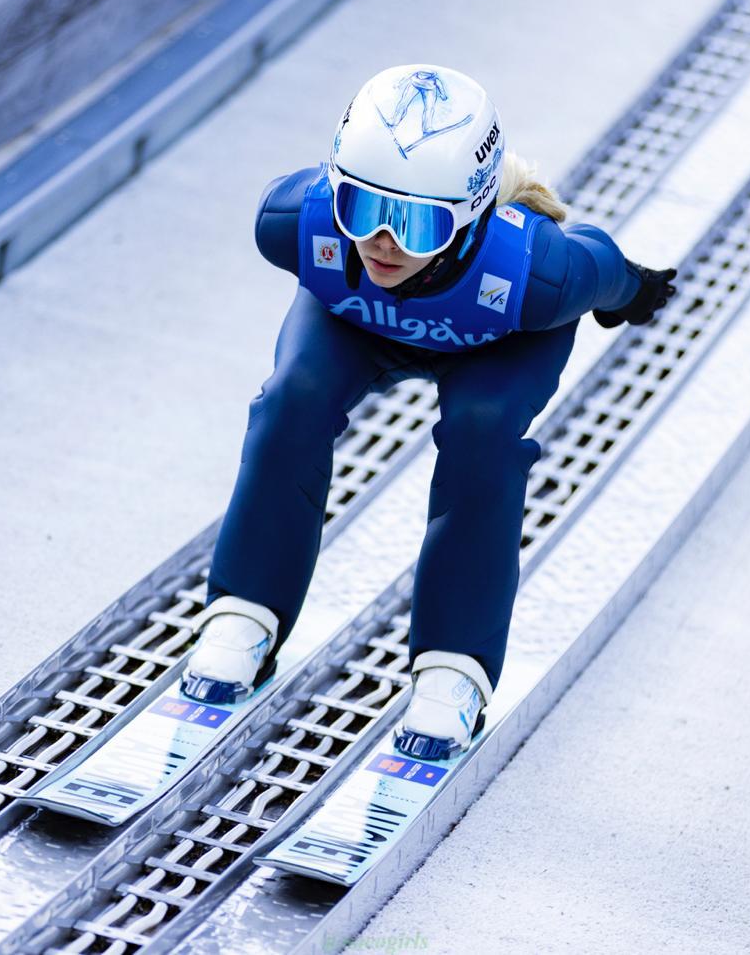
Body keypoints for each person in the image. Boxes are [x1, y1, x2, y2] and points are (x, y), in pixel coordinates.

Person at [181, 64, 676, 760]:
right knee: (292, 398)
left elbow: (599, 264)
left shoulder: (535, 275)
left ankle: (454, 668)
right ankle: (245, 613)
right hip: (354, 320)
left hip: (495, 341)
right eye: (360, 208)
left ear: (470, 214)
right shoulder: (293, 223)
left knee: (483, 435)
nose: (384, 243)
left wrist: (634, 290)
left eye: (416, 224)